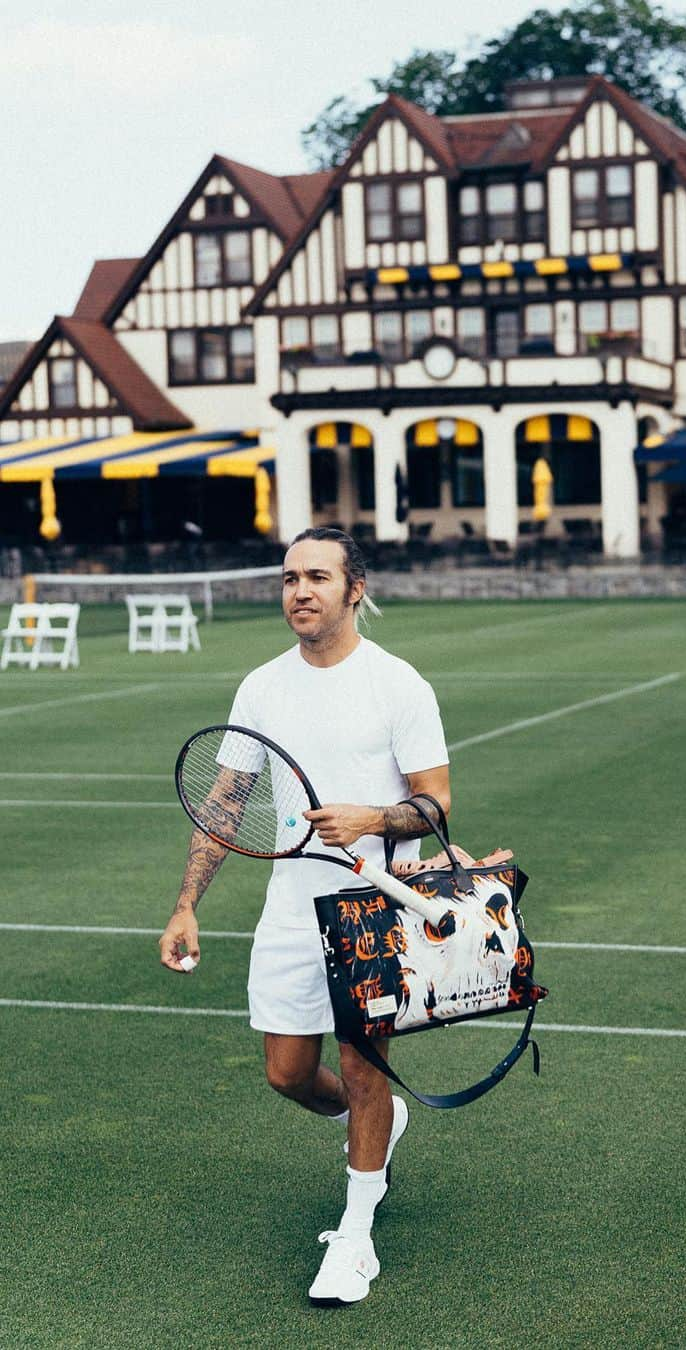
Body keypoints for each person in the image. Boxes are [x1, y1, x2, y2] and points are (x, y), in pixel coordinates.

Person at [158, 526, 451, 1307]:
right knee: (288, 1074)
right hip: (289, 913)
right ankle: (376, 1124)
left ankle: (355, 1238)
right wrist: (186, 905)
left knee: (362, 1067)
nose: (299, 591)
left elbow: (435, 803)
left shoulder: (399, 685)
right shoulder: (262, 687)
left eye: (317, 577)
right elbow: (226, 801)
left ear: (355, 588)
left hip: (370, 911)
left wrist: (372, 819)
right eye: (290, 578)